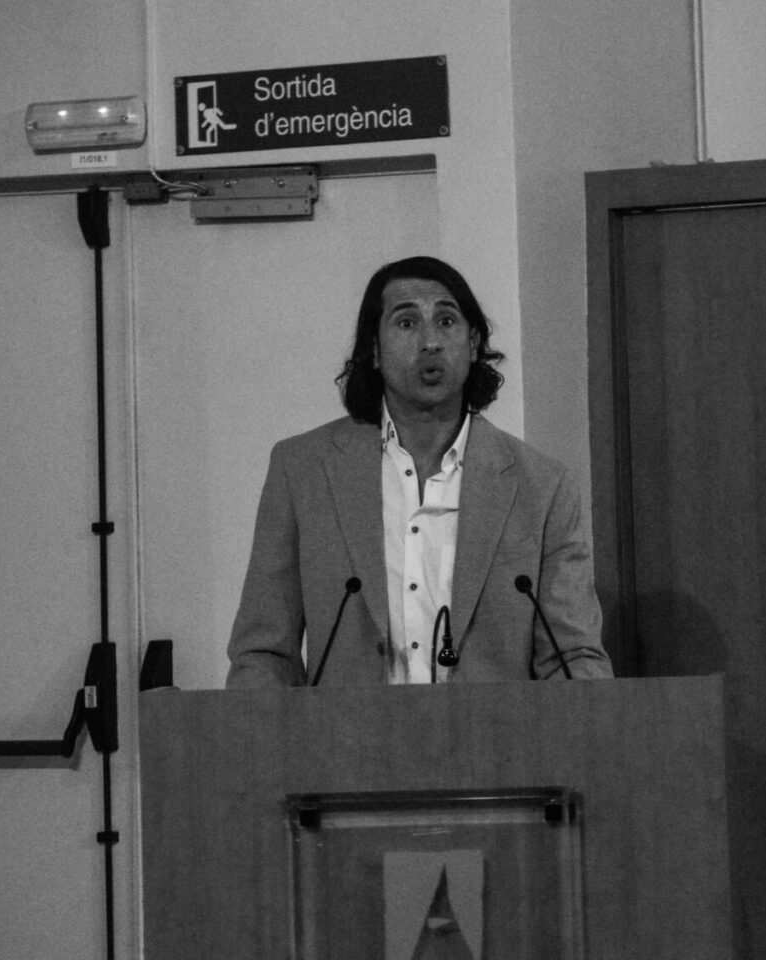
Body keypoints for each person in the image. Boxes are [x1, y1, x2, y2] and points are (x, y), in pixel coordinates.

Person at [226, 256, 612, 686]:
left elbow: (572, 656)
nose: (430, 341)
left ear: (473, 343)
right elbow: (264, 653)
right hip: (348, 730)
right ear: (374, 349)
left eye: (446, 321)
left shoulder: (542, 486)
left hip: (494, 730)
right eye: (407, 323)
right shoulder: (303, 470)